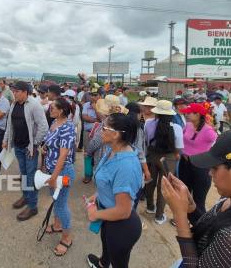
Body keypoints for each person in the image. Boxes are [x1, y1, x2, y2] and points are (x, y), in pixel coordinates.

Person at [161, 131, 231, 268]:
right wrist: (190, 207)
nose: (210, 173)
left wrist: (179, 215)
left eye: (215, 168)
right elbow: (211, 228)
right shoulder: (227, 197)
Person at [86, 113, 142, 268]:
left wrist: (94, 214)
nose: (100, 131)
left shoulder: (126, 166)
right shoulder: (113, 150)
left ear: (116, 134)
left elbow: (123, 211)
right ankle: (103, 263)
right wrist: (97, 194)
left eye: (104, 128)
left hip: (121, 226)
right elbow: (110, 181)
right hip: (109, 218)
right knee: (106, 246)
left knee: (119, 262)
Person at [3, 81, 48, 221]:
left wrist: (34, 144)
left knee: (31, 176)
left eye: (16, 91)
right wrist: (6, 140)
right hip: (18, 146)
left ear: (24, 92)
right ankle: (26, 197)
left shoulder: (34, 105)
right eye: (13, 91)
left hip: (29, 148)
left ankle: (33, 206)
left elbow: (43, 127)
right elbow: (10, 125)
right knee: (23, 174)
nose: (14, 94)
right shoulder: (14, 104)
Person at [42, 97, 76, 256]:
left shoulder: (68, 127)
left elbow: (63, 156)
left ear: (61, 110)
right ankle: (57, 225)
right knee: (56, 201)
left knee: (61, 205)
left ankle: (67, 238)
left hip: (62, 172)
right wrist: (45, 147)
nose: (50, 110)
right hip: (51, 170)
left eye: (53, 108)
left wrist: (54, 177)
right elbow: (49, 141)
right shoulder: (54, 123)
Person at [144, 100, 184, 225]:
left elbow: (146, 141)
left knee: (150, 182)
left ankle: (150, 207)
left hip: (152, 155)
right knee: (164, 185)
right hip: (169, 159)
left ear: (156, 113)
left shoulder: (148, 123)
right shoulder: (176, 127)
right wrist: (177, 154)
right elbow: (179, 147)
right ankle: (159, 215)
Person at [178, 103, 217, 224]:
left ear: (198, 114)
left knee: (199, 199)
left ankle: (199, 224)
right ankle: (183, 219)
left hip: (201, 167)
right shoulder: (188, 125)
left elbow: (217, 145)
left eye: (189, 112)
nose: (186, 114)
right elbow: (183, 139)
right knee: (184, 193)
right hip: (185, 164)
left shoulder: (208, 131)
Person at [82, 91, 99, 184]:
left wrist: (96, 109)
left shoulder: (103, 106)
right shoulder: (86, 105)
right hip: (87, 133)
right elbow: (84, 117)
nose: (93, 97)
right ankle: (88, 175)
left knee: (98, 155)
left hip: (99, 134)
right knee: (87, 154)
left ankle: (98, 177)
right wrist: (97, 119)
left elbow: (103, 119)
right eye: (91, 94)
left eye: (95, 94)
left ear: (100, 96)